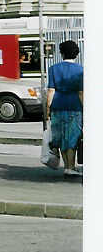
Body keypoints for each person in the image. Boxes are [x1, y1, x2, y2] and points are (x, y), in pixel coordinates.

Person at [47, 40, 83, 177]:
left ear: (61, 53)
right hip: (74, 106)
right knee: (72, 137)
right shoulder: (81, 70)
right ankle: (70, 167)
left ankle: (66, 166)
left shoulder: (53, 69)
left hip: (57, 106)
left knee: (61, 136)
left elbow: (51, 90)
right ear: (76, 54)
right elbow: (81, 93)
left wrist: (47, 109)